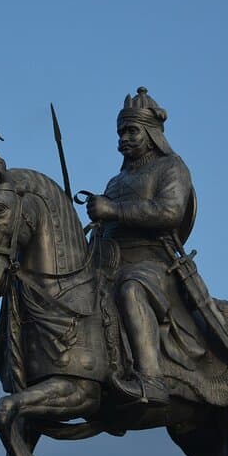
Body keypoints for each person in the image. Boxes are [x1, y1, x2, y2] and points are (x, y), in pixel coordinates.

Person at [86, 87, 195, 405]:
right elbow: (104, 229)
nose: (124, 138)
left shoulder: (171, 167)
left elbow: (170, 212)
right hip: (109, 262)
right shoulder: (114, 182)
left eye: (132, 130)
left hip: (152, 263)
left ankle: (151, 379)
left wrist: (113, 210)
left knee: (131, 288)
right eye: (121, 132)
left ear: (151, 133)